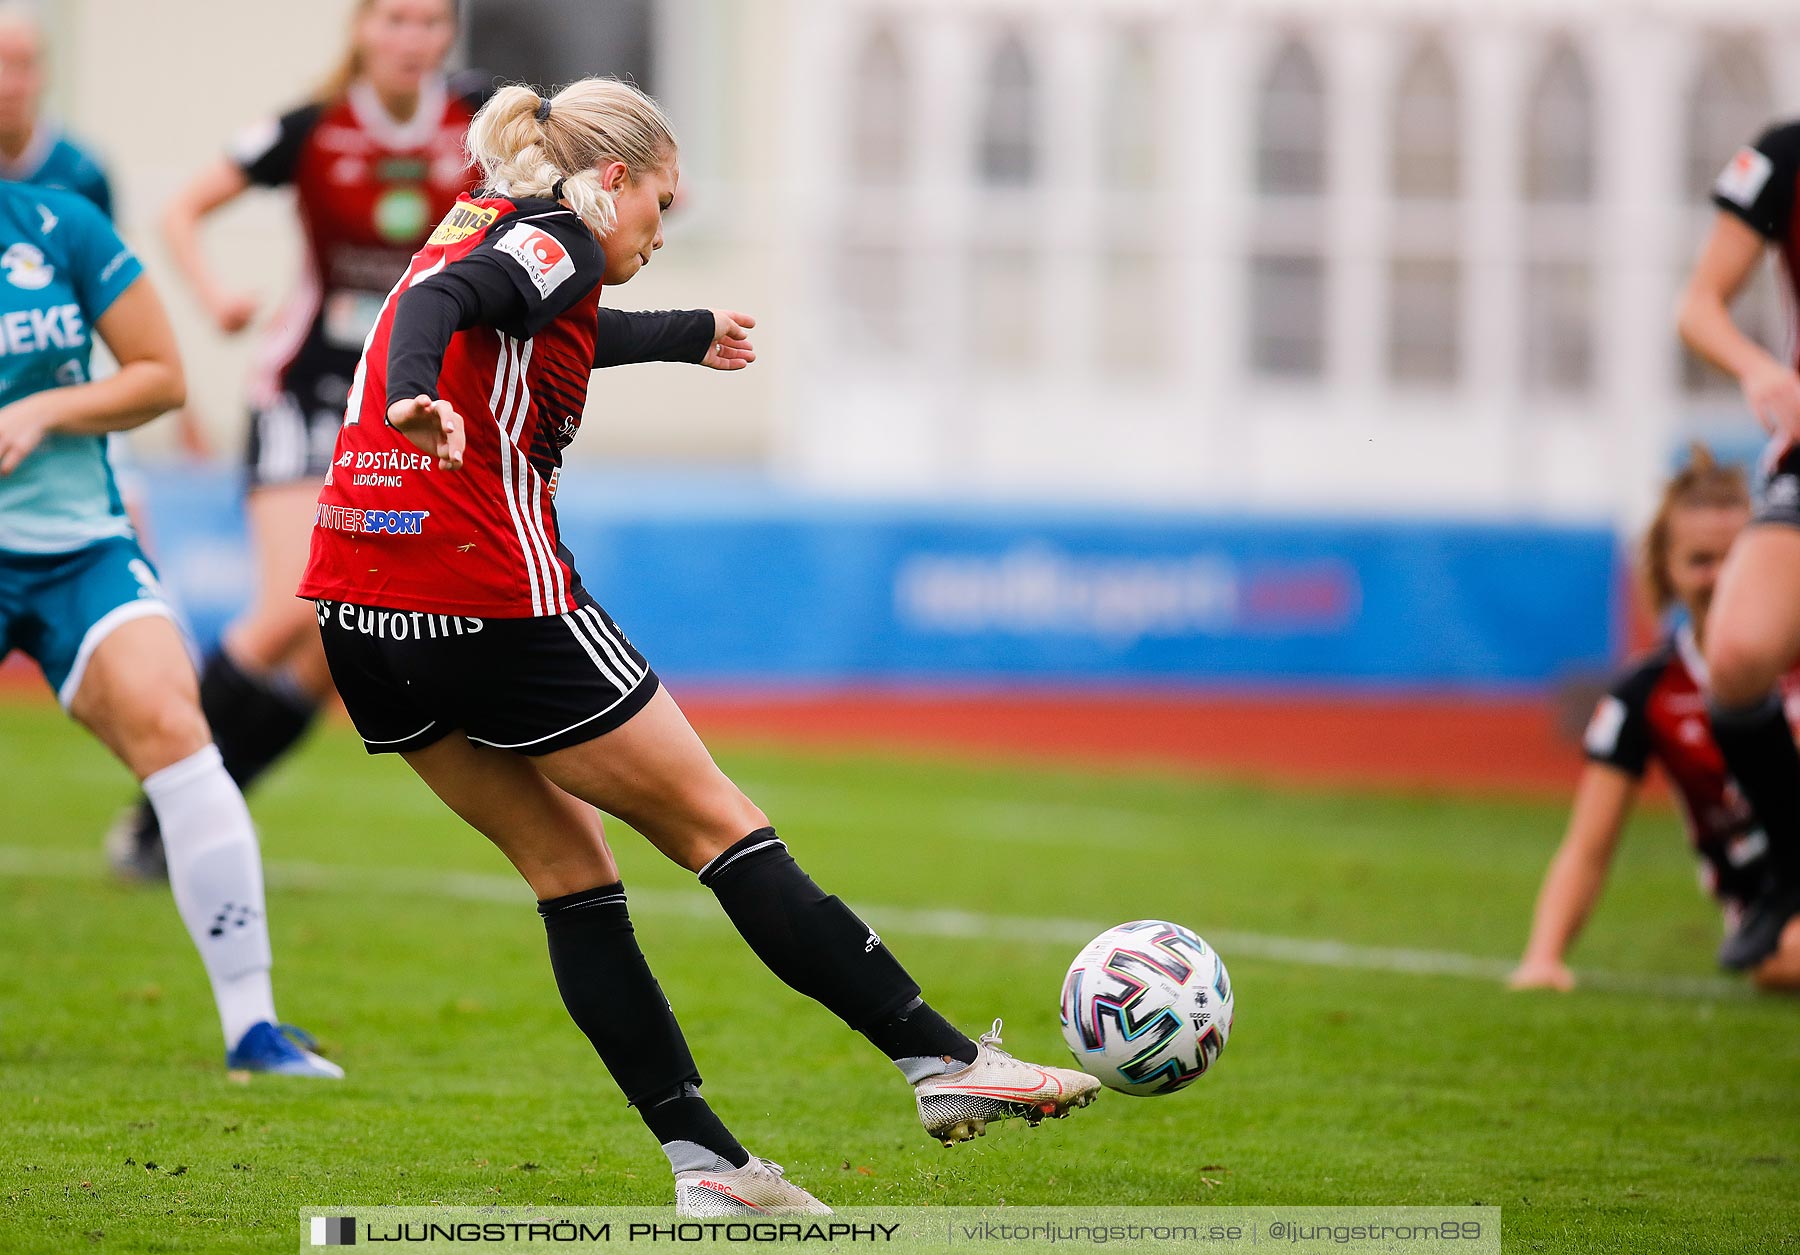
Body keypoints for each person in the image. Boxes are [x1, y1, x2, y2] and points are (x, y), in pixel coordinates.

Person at [297, 77, 1100, 1215]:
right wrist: (421, 399)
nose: (660, 235)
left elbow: (523, 310)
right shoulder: (558, 235)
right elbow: (449, 314)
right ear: (611, 179)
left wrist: (684, 333)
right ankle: (945, 1062)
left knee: (571, 875)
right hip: (488, 596)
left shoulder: (490, 214)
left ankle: (708, 1166)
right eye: (660, 205)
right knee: (722, 827)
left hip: (358, 607)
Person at [108, 0, 483, 879]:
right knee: (293, 605)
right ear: (361, 29)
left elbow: (581, 164)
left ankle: (193, 814)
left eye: (430, 22)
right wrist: (216, 298)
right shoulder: (312, 128)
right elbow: (182, 210)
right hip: (306, 390)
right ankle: (166, 797)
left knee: (337, 646)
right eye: (395, 19)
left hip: (407, 403)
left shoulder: (484, 120)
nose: (412, 39)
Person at [0, 180, 342, 1077]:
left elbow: (160, 375)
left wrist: (43, 408)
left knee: (179, 731)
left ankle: (253, 1026)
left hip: (81, 550)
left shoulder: (57, 223)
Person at [1511, 450, 1800, 994]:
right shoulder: (1647, 692)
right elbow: (1587, 847)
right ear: (1666, 569)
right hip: (1772, 916)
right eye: (1700, 560)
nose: (1719, 578)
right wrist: (1543, 957)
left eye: (1736, 557)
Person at [1677, 122, 1800, 969]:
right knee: (1739, 653)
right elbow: (1698, 305)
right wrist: (1760, 370)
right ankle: (1791, 866)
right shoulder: (1785, 157)